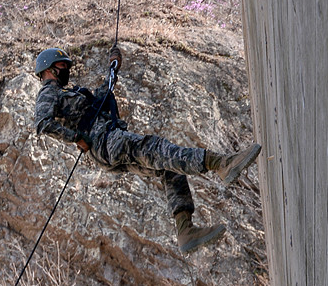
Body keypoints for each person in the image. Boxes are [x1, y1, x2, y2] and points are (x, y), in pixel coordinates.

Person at [34, 46, 262, 255]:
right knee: (157, 149)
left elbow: (100, 100)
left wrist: (113, 67)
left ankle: (185, 231)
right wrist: (76, 138)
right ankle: (222, 164)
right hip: (107, 141)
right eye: (63, 65)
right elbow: (42, 123)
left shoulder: (68, 93)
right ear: (50, 69)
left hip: (105, 149)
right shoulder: (49, 91)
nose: (67, 69)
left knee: (168, 169)